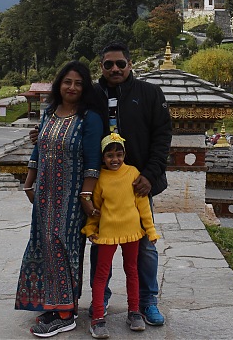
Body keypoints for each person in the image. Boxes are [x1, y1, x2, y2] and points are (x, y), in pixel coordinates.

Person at [15, 61, 103, 337]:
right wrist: (29, 185)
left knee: (63, 247)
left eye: (78, 83)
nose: (72, 87)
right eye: (67, 82)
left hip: (71, 197)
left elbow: (92, 162)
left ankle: (65, 312)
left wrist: (86, 197)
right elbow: (38, 150)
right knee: (42, 244)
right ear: (59, 84)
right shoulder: (49, 113)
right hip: (44, 194)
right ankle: (52, 304)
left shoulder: (89, 118)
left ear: (84, 87)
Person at [91, 42, 172, 326]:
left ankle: (148, 302)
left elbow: (162, 136)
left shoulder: (149, 94)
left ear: (130, 64)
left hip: (138, 185)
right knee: (100, 245)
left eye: (120, 64)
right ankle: (99, 300)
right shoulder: (91, 95)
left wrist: (150, 175)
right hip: (101, 185)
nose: (115, 69)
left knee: (145, 247)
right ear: (100, 66)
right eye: (108, 64)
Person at [82, 133, 159, 339]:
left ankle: (134, 312)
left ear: (125, 154)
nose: (114, 159)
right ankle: (98, 317)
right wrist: (91, 229)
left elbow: (143, 206)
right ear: (103, 157)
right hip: (107, 234)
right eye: (109, 155)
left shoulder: (134, 173)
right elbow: (95, 209)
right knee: (101, 275)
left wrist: (150, 230)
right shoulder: (100, 178)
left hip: (132, 233)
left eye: (119, 154)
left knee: (132, 271)